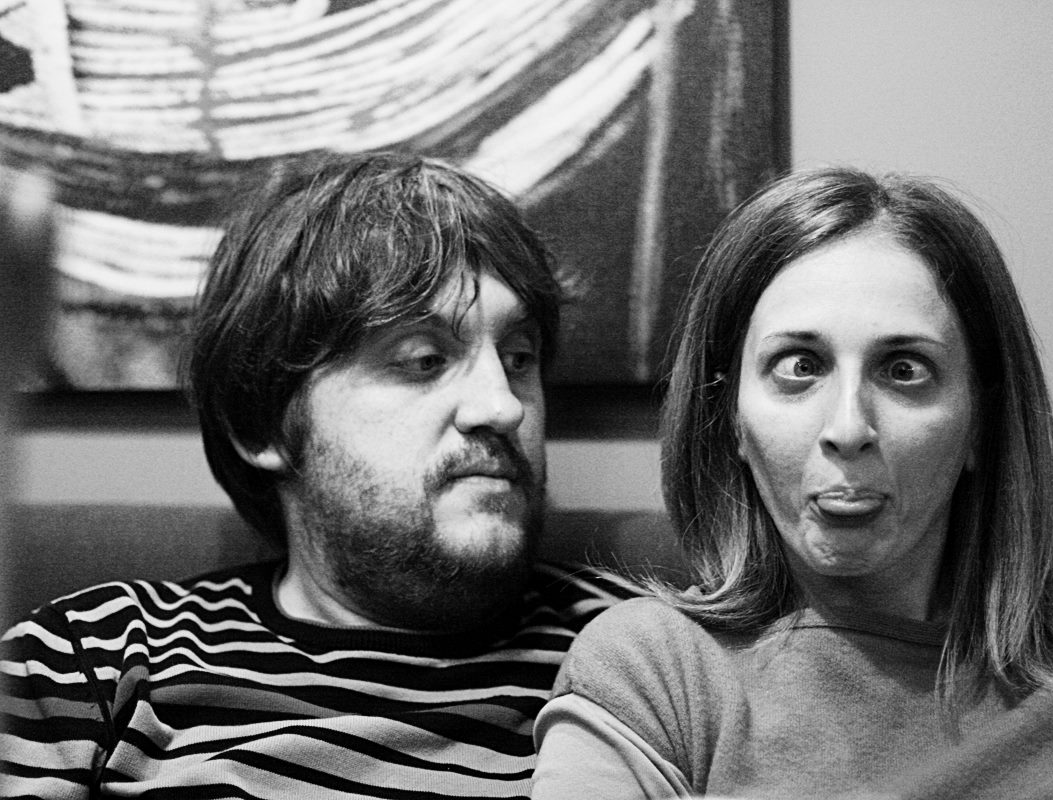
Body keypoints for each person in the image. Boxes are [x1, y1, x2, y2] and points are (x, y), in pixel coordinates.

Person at [531, 166, 1053, 798]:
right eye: (799, 365)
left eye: (904, 369)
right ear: (730, 417)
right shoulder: (654, 671)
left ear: (980, 421)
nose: (848, 428)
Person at [0, 150, 634, 798]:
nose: (502, 406)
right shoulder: (88, 662)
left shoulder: (644, 661)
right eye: (423, 359)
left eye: (519, 357)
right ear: (265, 426)